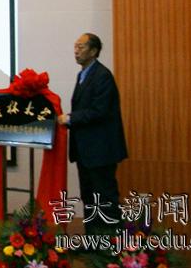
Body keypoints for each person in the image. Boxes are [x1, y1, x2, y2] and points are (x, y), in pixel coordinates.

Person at [57, 33, 128, 235]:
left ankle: (111, 244)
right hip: (86, 151)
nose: (76, 51)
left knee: (104, 199)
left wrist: (70, 118)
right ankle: (92, 241)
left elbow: (100, 111)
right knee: (89, 198)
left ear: (94, 51)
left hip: (101, 151)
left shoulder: (102, 76)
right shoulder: (83, 75)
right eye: (75, 46)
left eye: (81, 47)